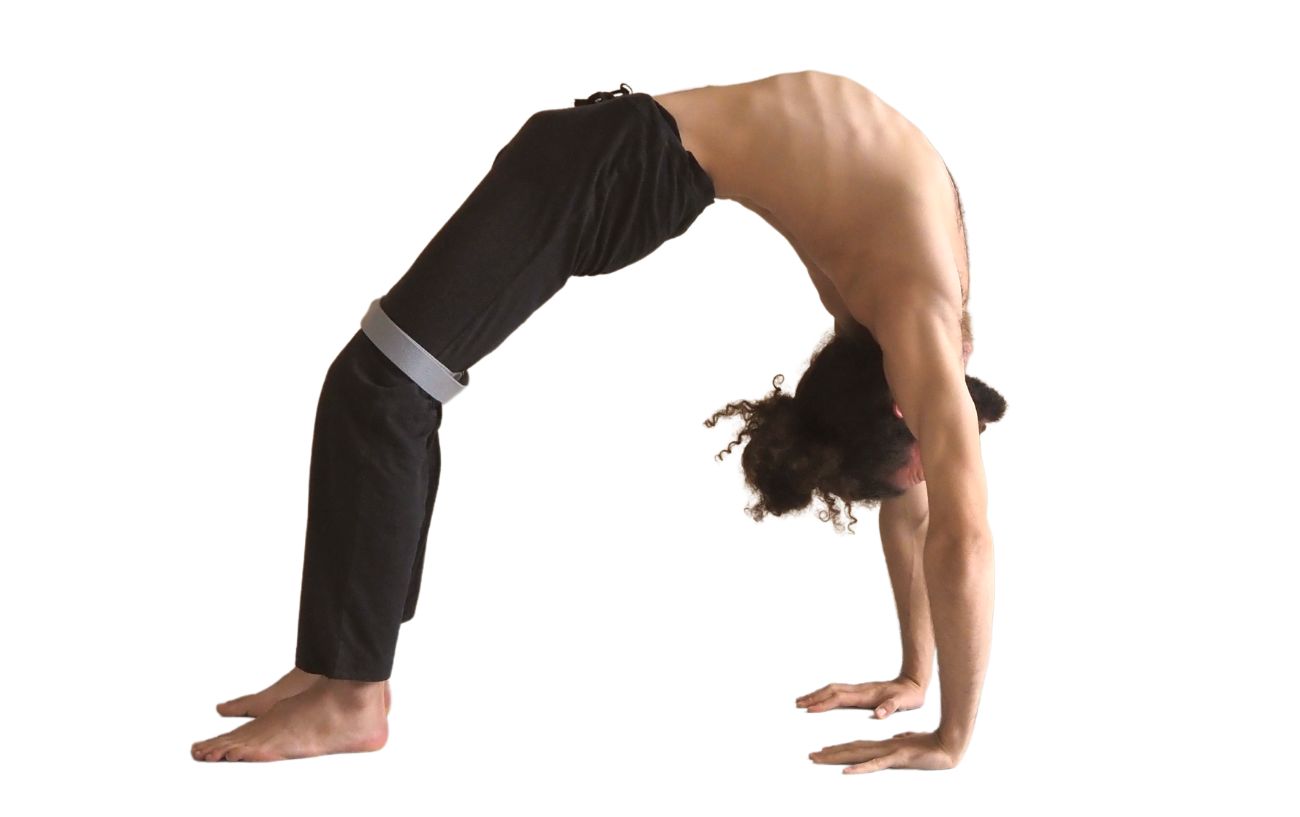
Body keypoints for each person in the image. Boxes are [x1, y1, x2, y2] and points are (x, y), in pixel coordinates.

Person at [191, 70, 1008, 772]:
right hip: (615, 165)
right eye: (935, 450)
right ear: (912, 406)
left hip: (612, 154)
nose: (935, 463)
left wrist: (914, 672)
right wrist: (952, 736)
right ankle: (346, 687)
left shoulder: (901, 307)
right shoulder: (917, 313)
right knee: (384, 386)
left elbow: (918, 514)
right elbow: (958, 537)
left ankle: (339, 674)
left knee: (381, 385)